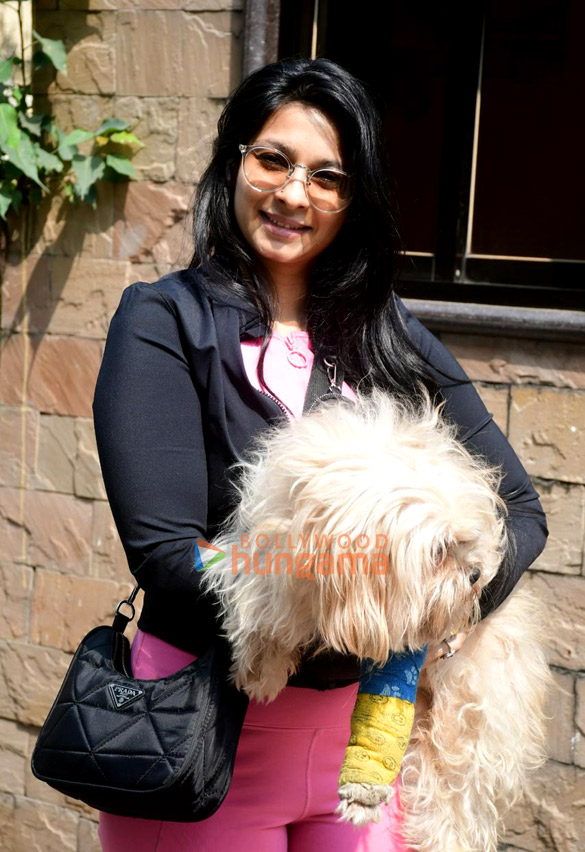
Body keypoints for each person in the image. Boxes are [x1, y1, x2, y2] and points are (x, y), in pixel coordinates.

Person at [93, 58, 548, 852]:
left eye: (328, 176)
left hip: (365, 749)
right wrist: (347, 589)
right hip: (205, 729)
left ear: (354, 198)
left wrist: (434, 602)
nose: (294, 194)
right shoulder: (164, 321)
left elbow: (523, 514)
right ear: (233, 158)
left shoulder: (389, 333)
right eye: (272, 160)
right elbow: (167, 554)